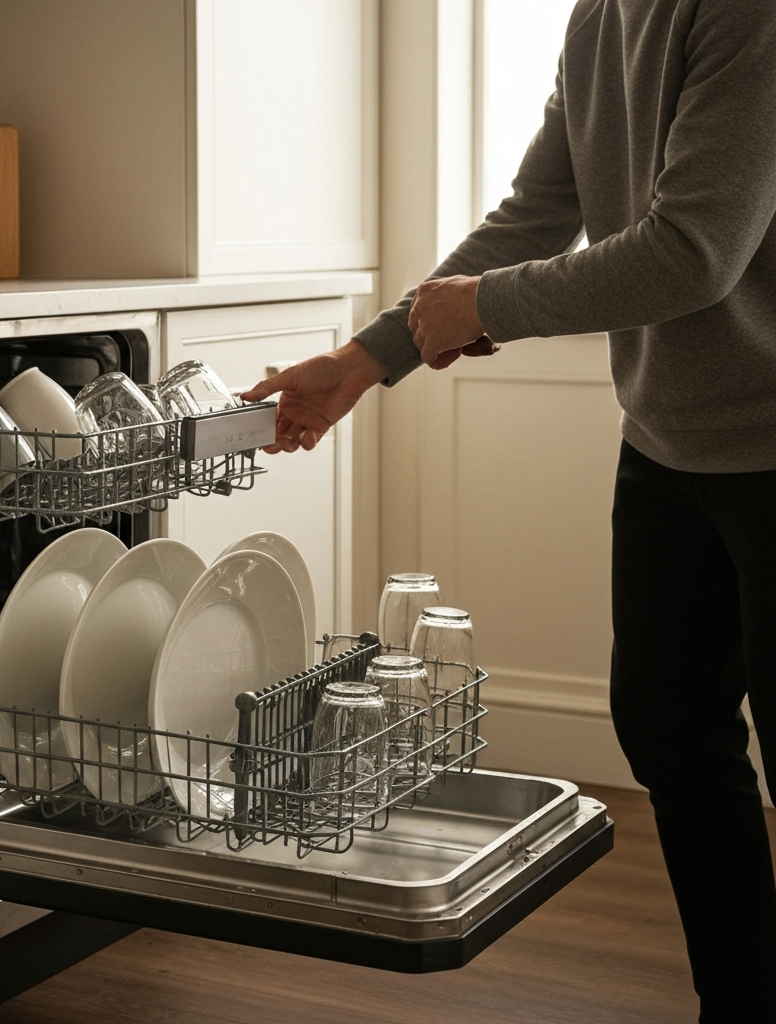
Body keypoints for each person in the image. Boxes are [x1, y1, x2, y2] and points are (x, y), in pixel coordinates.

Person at [242, 1, 776, 1020]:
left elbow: (692, 247)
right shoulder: (602, 14)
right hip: (666, 442)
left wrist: (489, 305)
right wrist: (365, 359)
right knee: (669, 732)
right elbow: (538, 208)